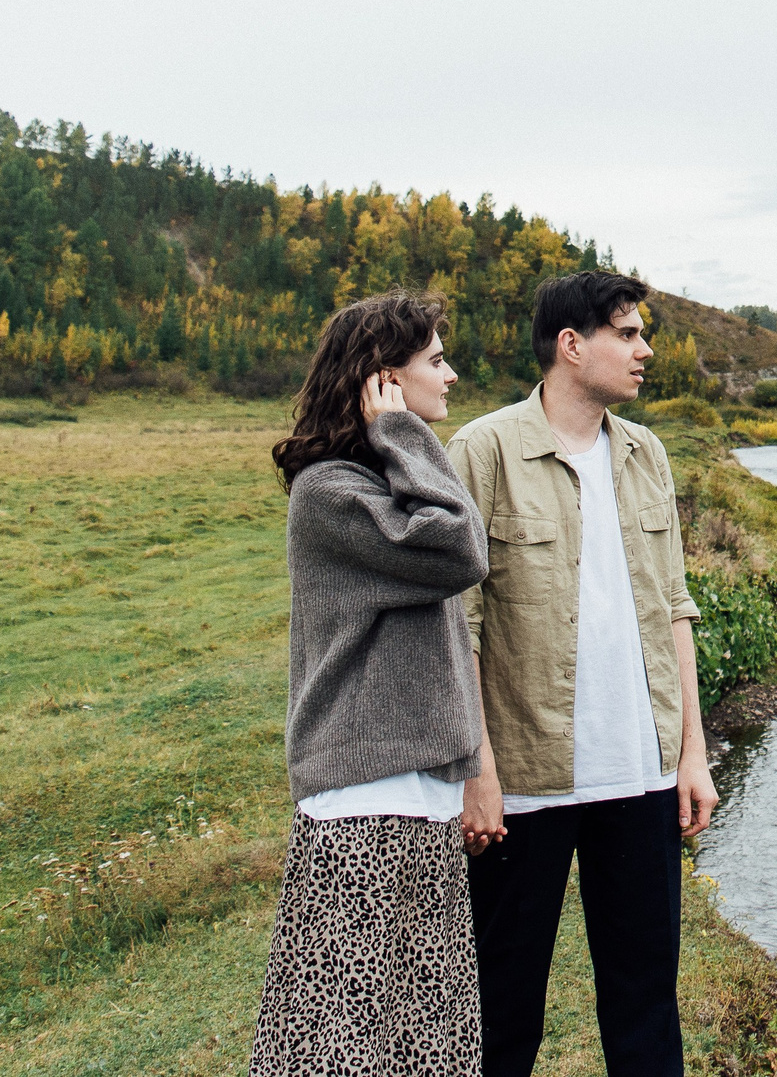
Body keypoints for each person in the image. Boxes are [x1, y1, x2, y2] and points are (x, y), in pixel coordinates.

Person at [447, 270, 719, 1077]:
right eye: (628, 334)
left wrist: (691, 755)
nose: (646, 349)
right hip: (526, 782)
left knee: (644, 1008)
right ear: (572, 346)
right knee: (503, 1013)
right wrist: (478, 773)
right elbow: (457, 627)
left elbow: (674, 607)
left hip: (638, 775)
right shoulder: (483, 450)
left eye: (642, 333)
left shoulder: (647, 454)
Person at [250, 289, 499, 1077]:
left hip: (412, 794)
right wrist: (402, 431)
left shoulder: (382, 484)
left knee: (427, 1033)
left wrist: (398, 440)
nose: (451, 374)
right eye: (434, 360)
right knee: (344, 1040)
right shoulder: (331, 494)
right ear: (381, 380)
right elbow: (462, 550)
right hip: (364, 800)